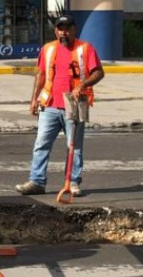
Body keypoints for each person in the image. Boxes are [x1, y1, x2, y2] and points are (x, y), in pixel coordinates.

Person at [16, 15, 105, 197]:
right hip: (50, 105)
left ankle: (73, 182)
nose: (63, 32)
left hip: (75, 105)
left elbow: (99, 73)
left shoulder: (85, 49)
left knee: (74, 147)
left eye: (67, 28)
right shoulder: (48, 49)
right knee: (41, 144)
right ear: (56, 31)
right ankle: (37, 181)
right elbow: (41, 75)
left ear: (74, 30)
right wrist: (34, 99)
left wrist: (83, 85)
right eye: (60, 28)